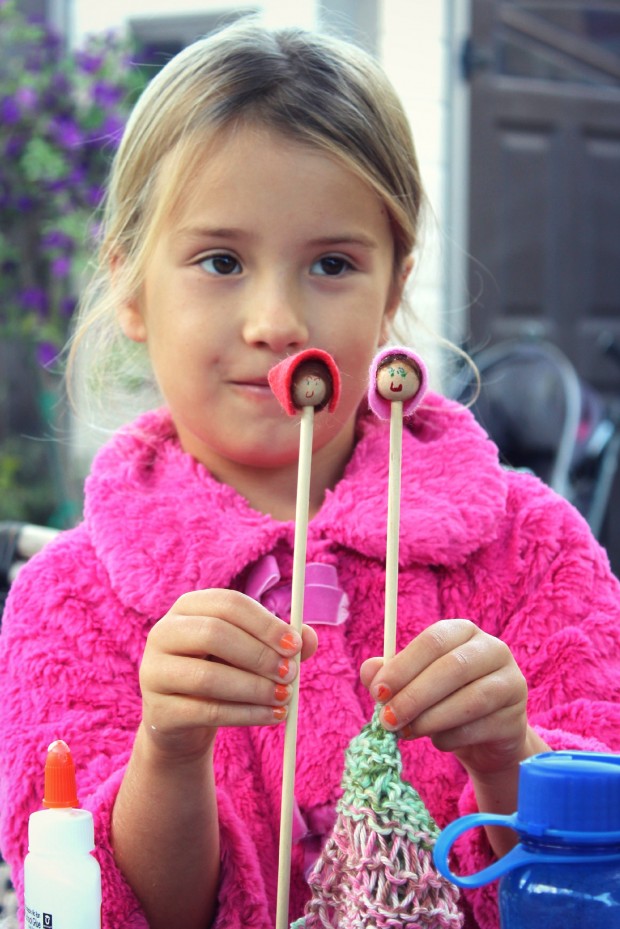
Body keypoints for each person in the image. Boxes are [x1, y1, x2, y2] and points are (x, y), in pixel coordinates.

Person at [0, 18, 619, 929]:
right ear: (129, 283)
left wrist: (512, 757)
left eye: (332, 263)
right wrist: (168, 751)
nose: (276, 320)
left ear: (395, 283)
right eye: (220, 261)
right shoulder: (70, 601)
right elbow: (115, 907)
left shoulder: (533, 547)